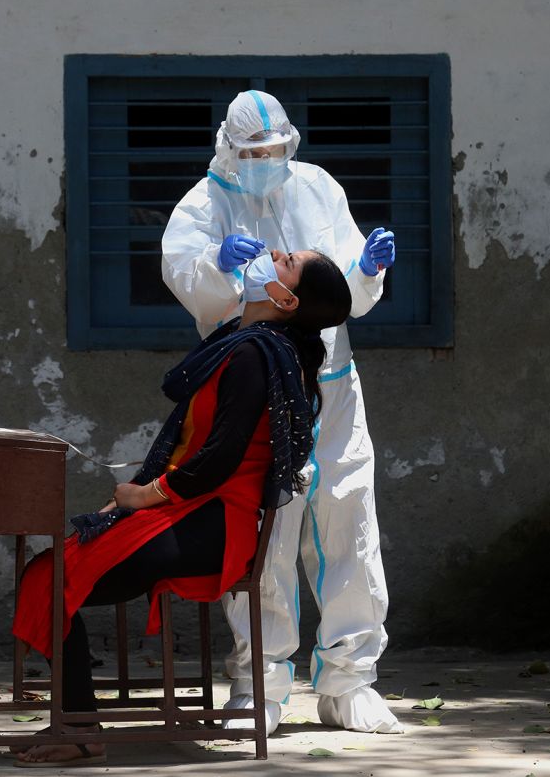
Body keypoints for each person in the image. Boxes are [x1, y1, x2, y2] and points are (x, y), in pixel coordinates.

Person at [10, 249, 352, 767]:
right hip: (192, 510)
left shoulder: (258, 353)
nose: (269, 255)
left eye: (284, 261)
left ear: (285, 298)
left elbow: (218, 460)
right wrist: (125, 501)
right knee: (51, 573)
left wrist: (144, 496)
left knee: (52, 577)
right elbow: (186, 448)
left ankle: (78, 729)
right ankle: (74, 720)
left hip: (211, 522)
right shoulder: (246, 343)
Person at [160, 89, 402, 736]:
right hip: (261, 385)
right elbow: (182, 273)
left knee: (350, 520)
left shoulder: (318, 186)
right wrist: (219, 265)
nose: (268, 161)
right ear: (230, 150)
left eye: (276, 150)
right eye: (255, 153)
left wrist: (367, 270)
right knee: (264, 530)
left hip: (333, 381)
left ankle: (351, 681)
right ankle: (259, 682)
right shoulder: (202, 205)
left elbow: (339, 281)